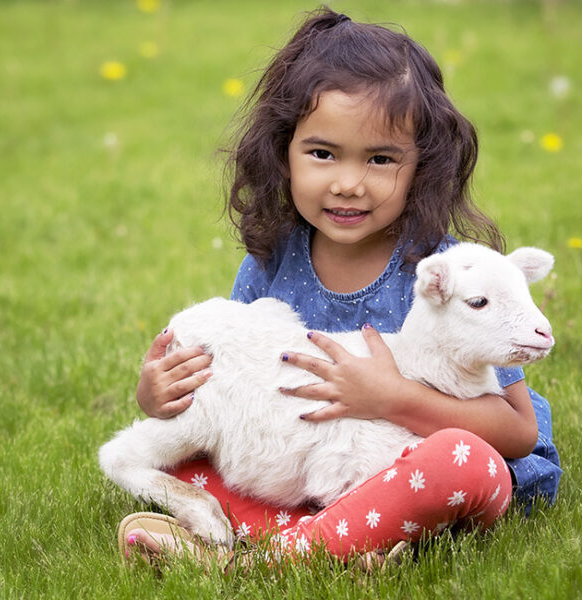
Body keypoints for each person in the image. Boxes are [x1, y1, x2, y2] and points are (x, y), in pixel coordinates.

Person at [122, 8, 561, 569]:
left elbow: (517, 432)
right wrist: (156, 396)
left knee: (464, 464)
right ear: (283, 151)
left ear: (420, 167)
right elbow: (233, 392)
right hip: (311, 466)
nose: (349, 183)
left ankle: (279, 550)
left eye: (380, 159)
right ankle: (343, 541)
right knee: (190, 456)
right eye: (323, 153)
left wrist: (393, 398)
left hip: (436, 471)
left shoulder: (446, 276)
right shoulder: (272, 262)